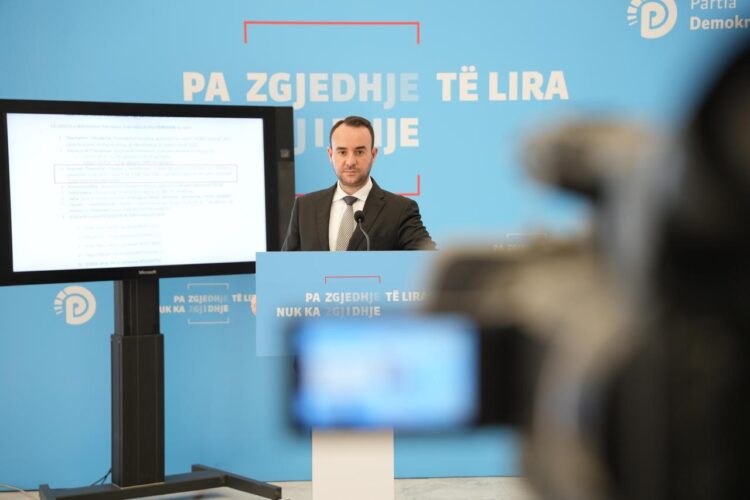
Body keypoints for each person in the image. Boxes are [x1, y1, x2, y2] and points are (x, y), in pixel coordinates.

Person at [281, 115, 436, 251]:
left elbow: (428, 259)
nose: (350, 162)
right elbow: (286, 267)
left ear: (373, 154)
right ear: (330, 154)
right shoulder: (305, 207)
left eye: (359, 152)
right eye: (342, 152)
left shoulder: (400, 210)